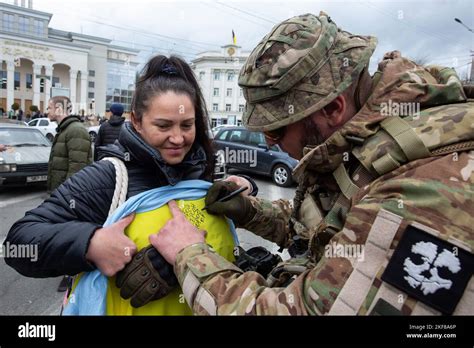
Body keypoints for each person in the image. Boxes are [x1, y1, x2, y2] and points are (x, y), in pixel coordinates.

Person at [149, 12, 474, 315]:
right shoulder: (373, 141)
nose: (269, 142)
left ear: (332, 109)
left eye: (276, 129)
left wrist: (188, 253)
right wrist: (248, 211)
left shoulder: (426, 184)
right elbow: (329, 229)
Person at [4, 55, 257, 314]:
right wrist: (90, 244)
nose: (178, 138)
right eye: (163, 125)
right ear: (136, 121)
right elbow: (19, 243)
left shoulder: (198, 171)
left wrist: (245, 187)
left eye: (187, 125)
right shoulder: (108, 178)